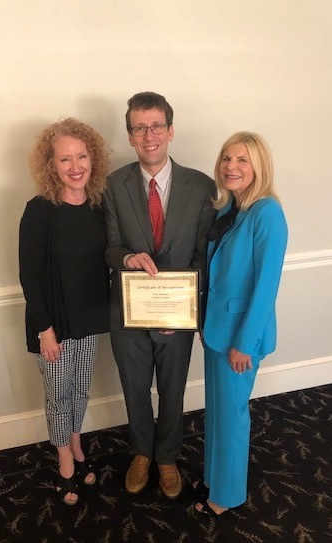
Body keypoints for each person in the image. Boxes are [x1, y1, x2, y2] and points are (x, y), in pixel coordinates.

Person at [104, 91, 216, 499]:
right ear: (130, 136)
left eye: (156, 126)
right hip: (128, 313)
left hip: (177, 317)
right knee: (134, 388)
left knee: (172, 389)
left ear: (170, 130)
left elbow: (205, 255)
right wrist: (128, 256)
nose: (148, 135)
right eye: (139, 128)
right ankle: (141, 453)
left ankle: (167, 458)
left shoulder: (202, 186)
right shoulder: (114, 185)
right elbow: (109, 247)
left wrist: (183, 308)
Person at [193, 131, 288, 516]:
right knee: (216, 410)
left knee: (232, 415)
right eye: (227, 159)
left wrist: (245, 344)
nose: (231, 167)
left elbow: (266, 288)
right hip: (216, 330)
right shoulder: (228, 209)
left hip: (239, 338)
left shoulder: (267, 213)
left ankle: (226, 496)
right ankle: (216, 476)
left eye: (242, 160)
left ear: (258, 167)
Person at [19, 118, 110, 506]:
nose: (76, 166)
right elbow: (30, 276)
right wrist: (45, 329)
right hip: (52, 323)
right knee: (58, 395)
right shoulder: (39, 210)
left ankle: (76, 444)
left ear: (94, 158)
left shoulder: (100, 206)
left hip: (90, 318)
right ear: (51, 166)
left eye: (82, 156)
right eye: (65, 159)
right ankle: (65, 465)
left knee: (79, 390)